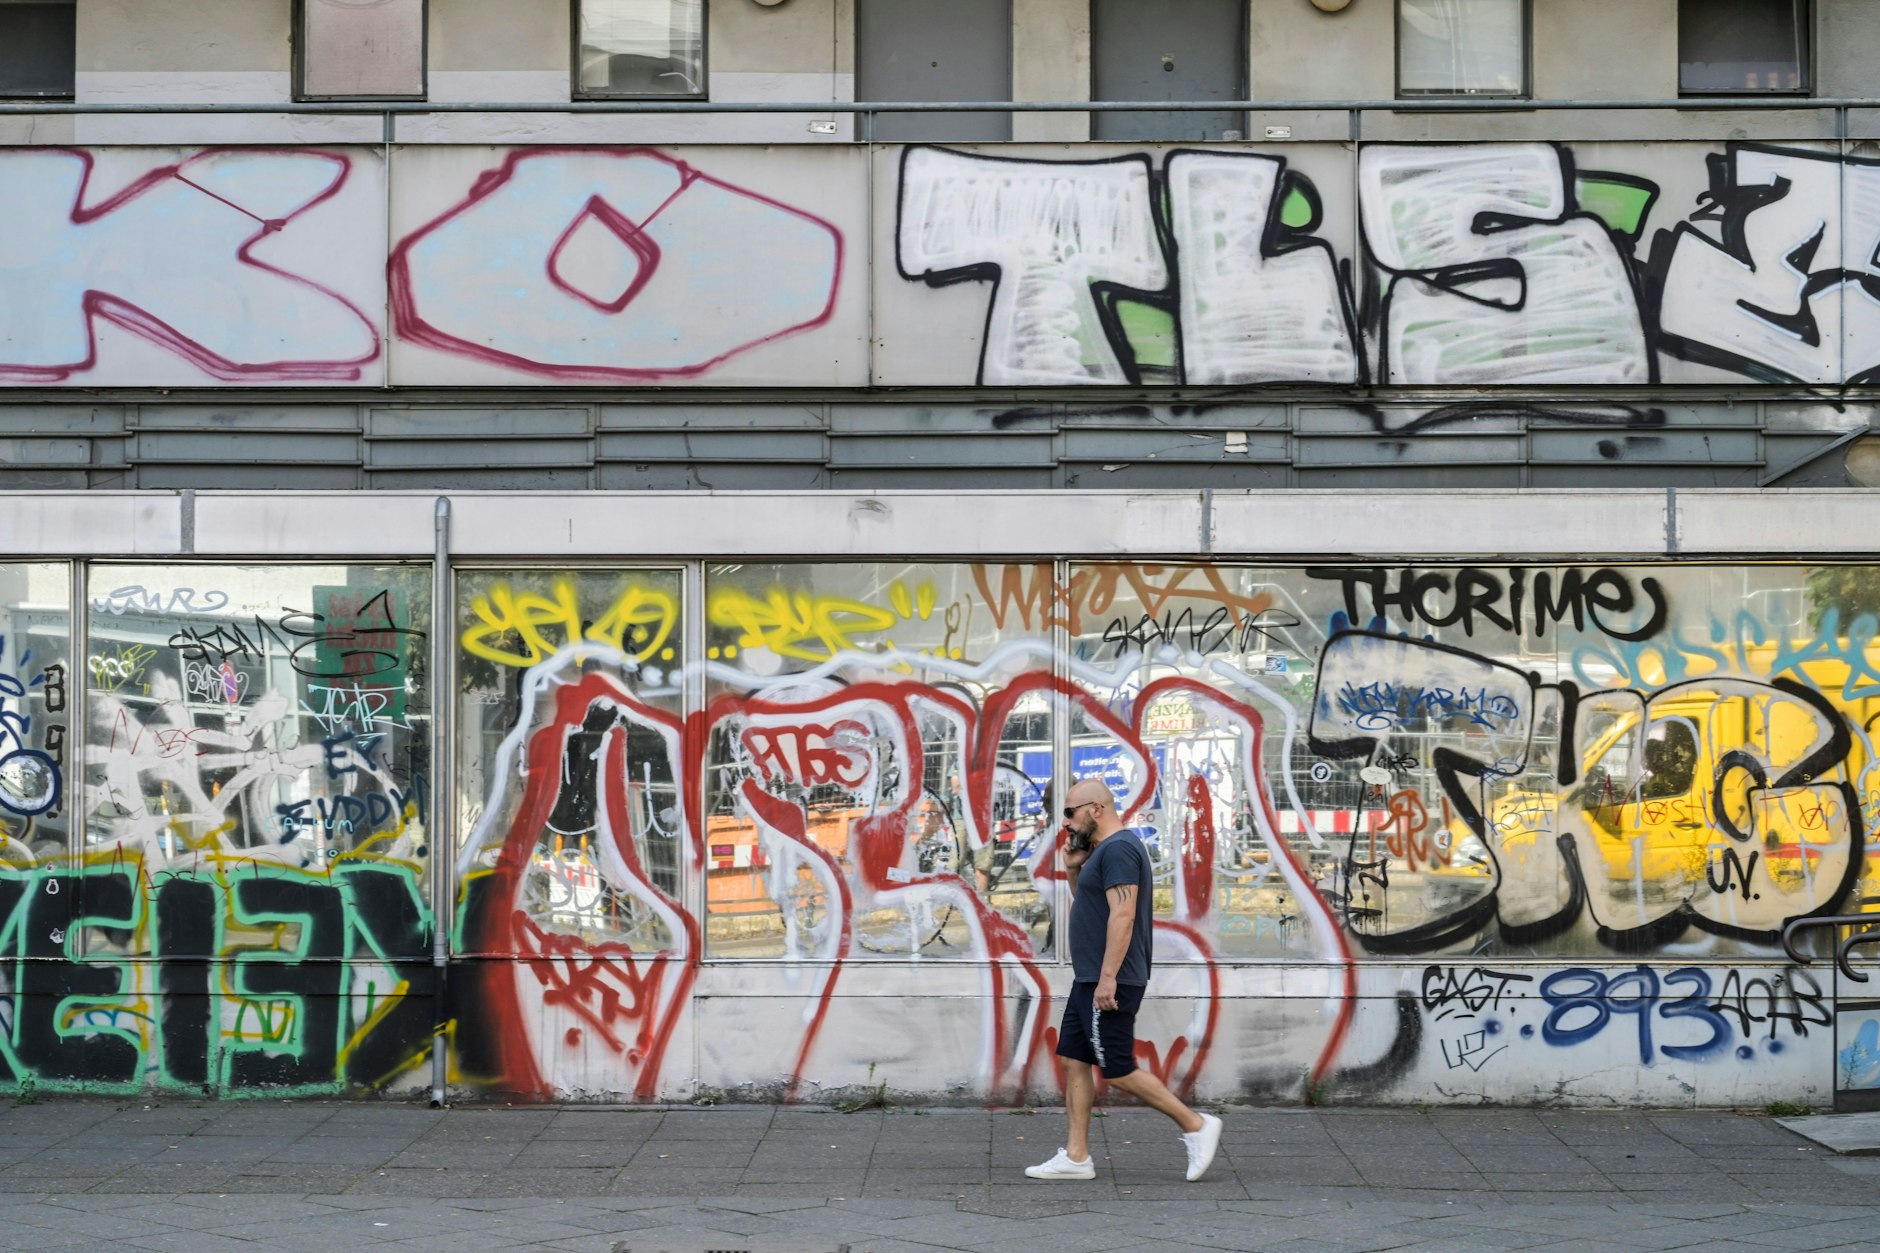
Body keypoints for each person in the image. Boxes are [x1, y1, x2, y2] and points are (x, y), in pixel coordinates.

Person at [1026, 778, 1222, 1183]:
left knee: (1117, 1068)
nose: (1064, 821)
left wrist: (1108, 979)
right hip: (1091, 977)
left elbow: (1124, 915)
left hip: (1109, 979)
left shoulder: (1119, 850)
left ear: (1096, 809)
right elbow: (1093, 906)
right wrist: (1073, 869)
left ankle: (1196, 1125)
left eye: (1070, 812)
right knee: (1074, 1060)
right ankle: (1077, 1157)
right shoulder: (1102, 852)